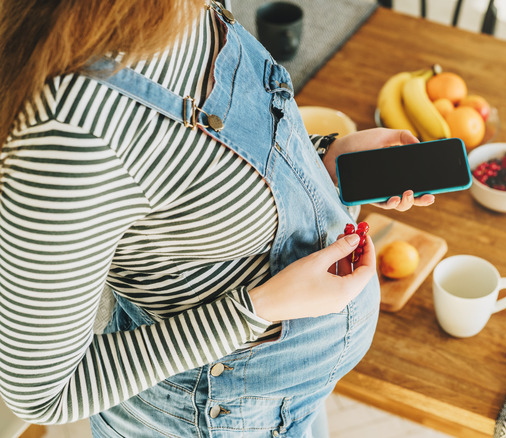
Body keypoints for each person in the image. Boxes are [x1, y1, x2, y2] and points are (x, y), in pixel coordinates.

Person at [0, 1, 433, 436]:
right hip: (215, 419)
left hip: (291, 395)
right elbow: (44, 393)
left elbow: (204, 174)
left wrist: (322, 158)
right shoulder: (65, 135)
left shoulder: (180, 7)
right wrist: (262, 306)